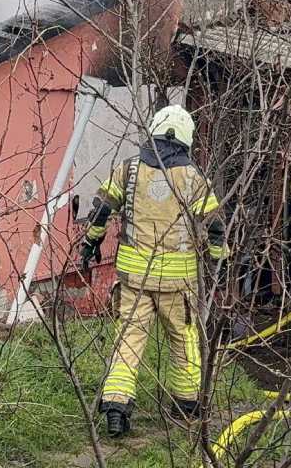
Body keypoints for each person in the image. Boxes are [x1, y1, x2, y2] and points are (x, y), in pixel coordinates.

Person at [79, 104, 228, 437]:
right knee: (183, 338)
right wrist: (220, 260)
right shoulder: (193, 178)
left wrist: (90, 243)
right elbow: (216, 226)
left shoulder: (128, 169)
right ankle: (187, 406)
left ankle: (116, 409)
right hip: (179, 283)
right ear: (186, 139)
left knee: (128, 341)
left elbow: (101, 209)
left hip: (134, 279)